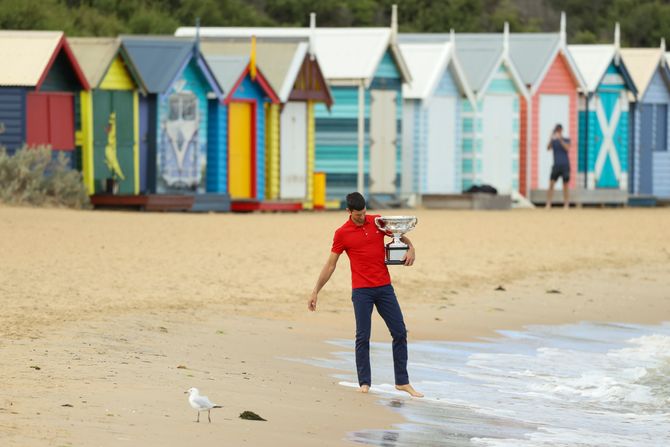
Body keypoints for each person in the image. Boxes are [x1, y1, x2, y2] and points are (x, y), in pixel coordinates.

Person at [308, 192, 423, 398]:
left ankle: (402, 382)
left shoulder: (377, 222)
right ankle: (364, 382)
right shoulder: (342, 233)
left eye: (364, 213)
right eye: (358, 214)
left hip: (384, 287)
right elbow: (331, 265)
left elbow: (398, 234)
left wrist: (411, 248)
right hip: (362, 291)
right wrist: (316, 290)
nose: (363, 217)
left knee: (399, 332)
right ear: (348, 211)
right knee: (363, 336)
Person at [546, 124, 571, 208]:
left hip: (565, 165)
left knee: (565, 185)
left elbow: (567, 148)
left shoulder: (566, 139)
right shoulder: (553, 141)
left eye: (559, 130)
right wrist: (551, 138)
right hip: (556, 165)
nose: (558, 132)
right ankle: (548, 203)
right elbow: (548, 148)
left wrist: (560, 139)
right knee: (551, 184)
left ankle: (566, 204)